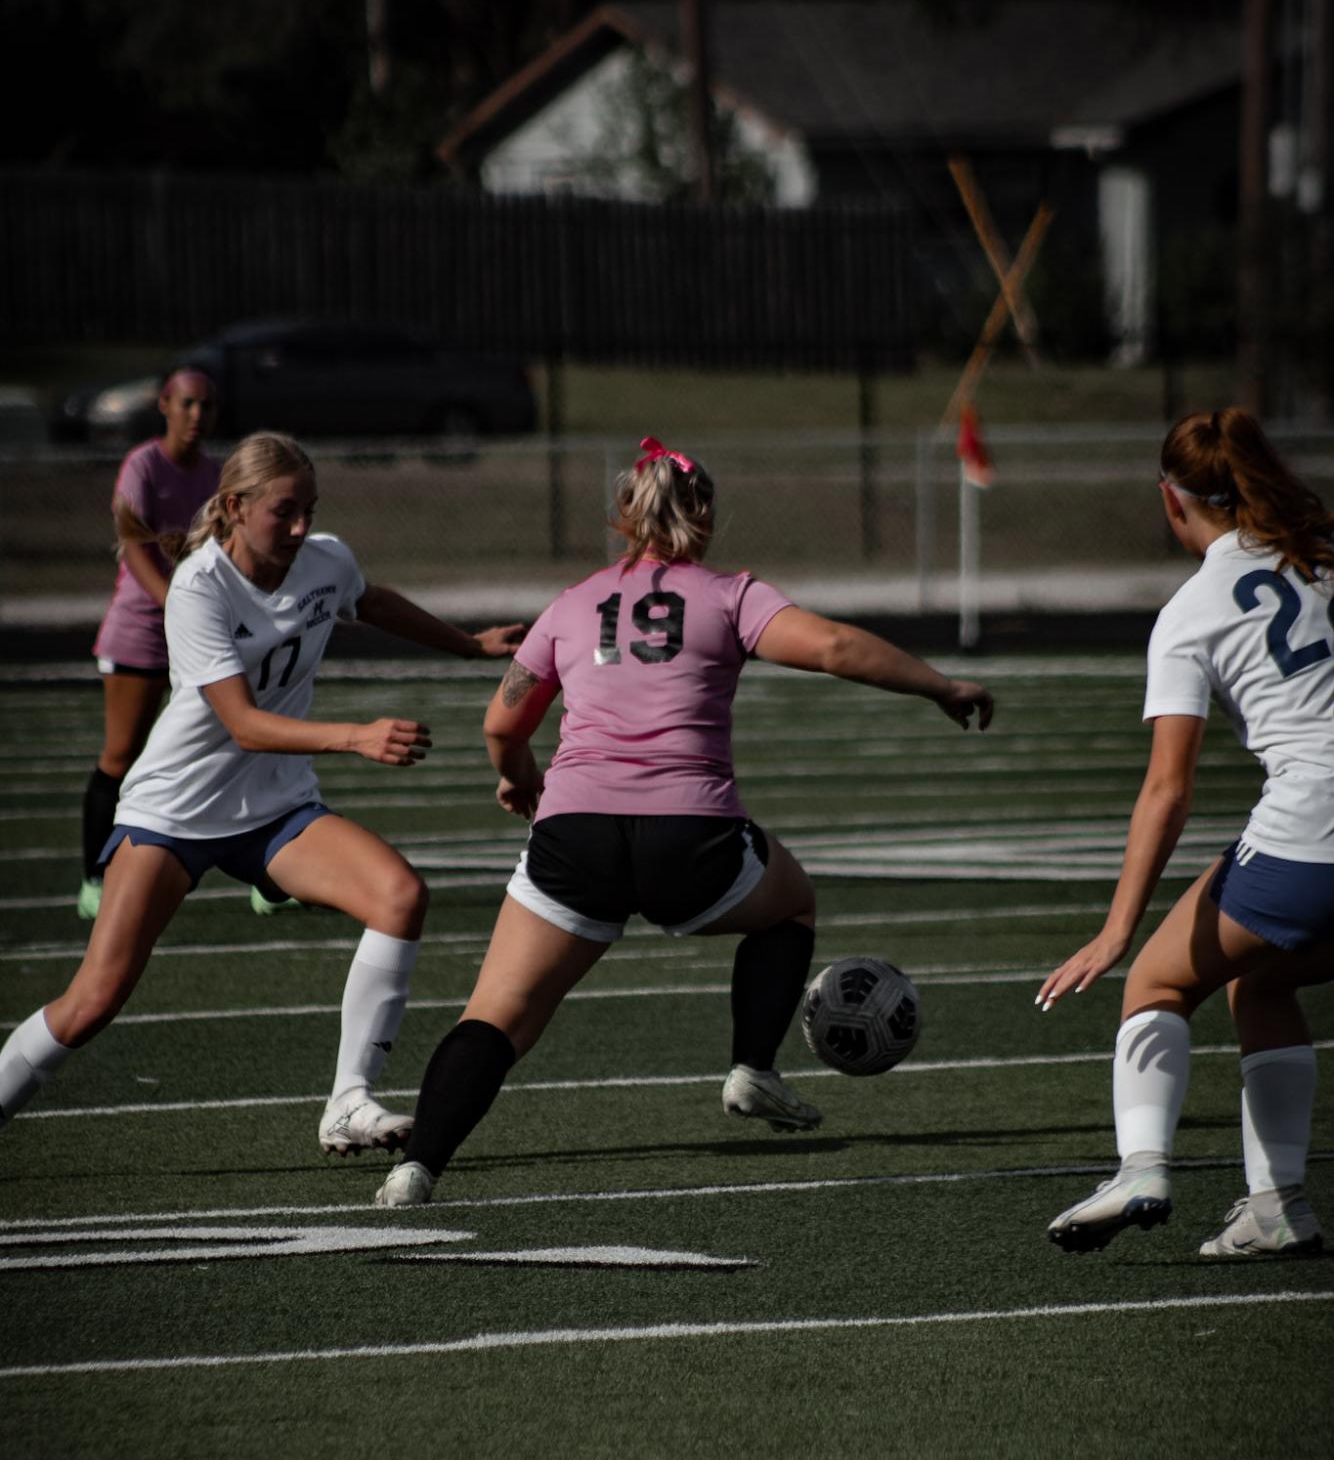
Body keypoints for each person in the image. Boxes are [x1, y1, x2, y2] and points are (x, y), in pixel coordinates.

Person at [373, 433, 994, 1207]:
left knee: (498, 1016)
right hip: (688, 837)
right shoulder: (731, 594)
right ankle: (751, 1069)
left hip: (576, 835)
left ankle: (416, 1168)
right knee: (791, 903)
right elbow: (834, 646)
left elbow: (501, 725)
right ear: (702, 517)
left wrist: (519, 780)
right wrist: (939, 684)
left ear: (622, 517)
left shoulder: (569, 604)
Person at [0, 430, 523, 1159]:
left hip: (274, 807)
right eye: (285, 511)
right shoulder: (198, 586)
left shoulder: (323, 560)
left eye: (310, 508)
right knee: (95, 998)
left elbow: (368, 600)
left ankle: (348, 1100)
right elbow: (242, 724)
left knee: (399, 895)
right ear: (237, 506)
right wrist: (355, 736)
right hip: (174, 812)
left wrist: (468, 644)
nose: (302, 526)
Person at [1041, 408, 1334, 1259]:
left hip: (1309, 833)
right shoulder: (1323, 558)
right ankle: (1278, 1207)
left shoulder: (1192, 607)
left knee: (1159, 984)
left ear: (1171, 500)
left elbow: (1168, 788)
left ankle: (1141, 1167)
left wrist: (1117, 930)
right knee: (1263, 983)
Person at [79, 368, 221, 921]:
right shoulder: (142, 464)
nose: (195, 415)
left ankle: (272, 877)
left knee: (227, 747)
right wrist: (176, 601)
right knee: (121, 753)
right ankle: (94, 877)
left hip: (196, 631)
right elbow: (133, 543)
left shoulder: (215, 472)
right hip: (142, 632)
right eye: (186, 403)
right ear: (164, 404)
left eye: (206, 406)